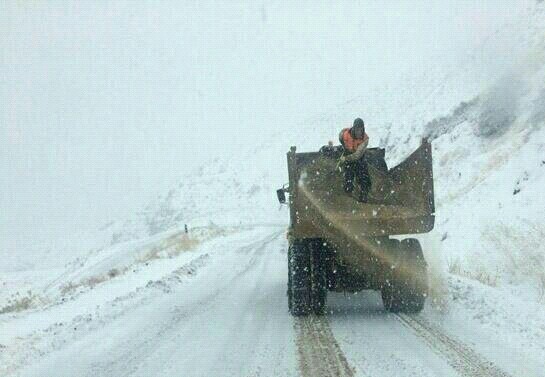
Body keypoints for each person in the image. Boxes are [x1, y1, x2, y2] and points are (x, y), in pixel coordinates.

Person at [338, 118, 371, 202]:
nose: (359, 132)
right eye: (357, 129)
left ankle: (363, 194)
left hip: (359, 157)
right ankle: (348, 192)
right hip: (348, 153)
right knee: (348, 173)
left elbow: (357, 155)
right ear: (354, 128)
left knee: (363, 174)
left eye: (361, 129)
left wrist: (345, 158)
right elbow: (341, 136)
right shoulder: (345, 135)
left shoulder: (365, 139)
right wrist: (344, 150)